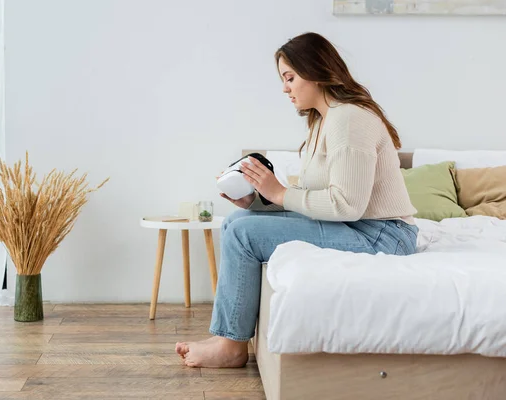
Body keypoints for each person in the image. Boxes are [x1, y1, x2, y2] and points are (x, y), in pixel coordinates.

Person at [175, 32, 418, 368]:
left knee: (244, 234)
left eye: (289, 77)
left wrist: (279, 193)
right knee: (238, 222)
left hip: (383, 235)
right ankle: (226, 337)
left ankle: (231, 346)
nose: (284, 88)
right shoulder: (323, 121)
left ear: (315, 71)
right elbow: (317, 198)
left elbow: (348, 205)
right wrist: (259, 203)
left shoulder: (349, 119)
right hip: (356, 225)